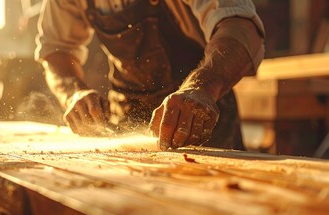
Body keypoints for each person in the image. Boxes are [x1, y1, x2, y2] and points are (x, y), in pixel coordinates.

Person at [35, 0, 265, 151]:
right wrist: (74, 93)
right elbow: (57, 50)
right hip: (125, 114)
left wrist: (200, 88)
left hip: (202, 113)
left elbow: (240, 27)